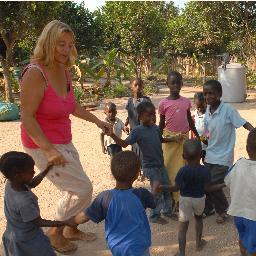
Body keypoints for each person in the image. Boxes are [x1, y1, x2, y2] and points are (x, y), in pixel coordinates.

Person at [20, 20, 112, 253]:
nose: (66, 50)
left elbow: (72, 106)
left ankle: (70, 228)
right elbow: (27, 118)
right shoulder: (35, 73)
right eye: (61, 44)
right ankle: (54, 232)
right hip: (42, 144)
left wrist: (98, 121)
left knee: (77, 186)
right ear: (48, 43)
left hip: (64, 139)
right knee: (81, 189)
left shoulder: (64, 71)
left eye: (70, 45)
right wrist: (49, 151)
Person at [109, 101, 182, 224]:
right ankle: (154, 215)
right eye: (149, 115)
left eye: (154, 114)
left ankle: (167, 211)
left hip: (160, 165)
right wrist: (112, 135)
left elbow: (161, 139)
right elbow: (124, 144)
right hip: (150, 167)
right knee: (157, 191)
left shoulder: (155, 128)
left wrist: (173, 139)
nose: (153, 117)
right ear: (140, 116)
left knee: (167, 187)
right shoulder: (137, 131)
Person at [71, 151, 157, 256]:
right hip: (139, 245)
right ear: (136, 175)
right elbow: (153, 202)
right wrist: (155, 190)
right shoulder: (141, 194)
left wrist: (67, 221)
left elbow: (84, 217)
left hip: (117, 247)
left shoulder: (105, 197)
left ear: (112, 173)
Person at [0, 151, 76, 256]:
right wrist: (64, 222)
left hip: (14, 234)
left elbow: (32, 183)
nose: (34, 172)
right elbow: (38, 222)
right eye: (31, 171)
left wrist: (47, 169)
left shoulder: (11, 183)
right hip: (27, 240)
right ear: (17, 174)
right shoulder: (23, 201)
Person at [161, 139, 225, 256]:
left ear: (183, 156)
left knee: (182, 227)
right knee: (199, 219)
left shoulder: (182, 171)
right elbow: (208, 189)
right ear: (201, 155)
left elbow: (175, 188)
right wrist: (223, 184)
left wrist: (161, 187)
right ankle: (199, 243)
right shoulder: (205, 170)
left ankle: (181, 253)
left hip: (185, 200)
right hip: (199, 199)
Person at [203, 80, 254, 223]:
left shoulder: (228, 110)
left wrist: (254, 132)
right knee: (205, 181)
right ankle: (209, 207)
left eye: (211, 93)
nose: (208, 97)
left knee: (213, 183)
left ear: (219, 94)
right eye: (205, 93)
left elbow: (243, 123)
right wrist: (203, 144)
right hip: (210, 153)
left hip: (224, 156)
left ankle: (223, 209)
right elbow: (207, 132)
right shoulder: (207, 110)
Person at [159, 71, 200, 210]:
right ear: (167, 84)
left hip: (183, 139)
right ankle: (172, 197)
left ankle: (180, 199)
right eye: (172, 82)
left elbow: (189, 120)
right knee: (169, 168)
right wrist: (159, 138)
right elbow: (161, 124)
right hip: (170, 140)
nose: (176, 85)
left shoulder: (186, 102)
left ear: (182, 84)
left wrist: (197, 135)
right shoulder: (163, 103)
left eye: (178, 82)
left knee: (183, 168)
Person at [224, 128, 256, 256]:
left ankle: (243, 252)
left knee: (242, 237)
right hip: (253, 216)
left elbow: (227, 181)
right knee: (253, 247)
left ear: (247, 149)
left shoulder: (238, 165)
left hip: (238, 214)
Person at [125, 78, 151, 162]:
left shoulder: (146, 100)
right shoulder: (129, 101)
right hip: (133, 131)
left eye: (140, 85)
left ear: (142, 87)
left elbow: (151, 115)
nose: (138, 87)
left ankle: (144, 169)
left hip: (144, 132)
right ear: (131, 87)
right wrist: (125, 124)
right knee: (135, 150)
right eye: (135, 85)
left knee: (143, 151)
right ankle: (138, 169)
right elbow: (129, 115)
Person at [193, 92, 207, 162]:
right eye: (198, 107)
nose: (200, 109)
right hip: (196, 143)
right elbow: (193, 124)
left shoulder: (209, 114)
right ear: (194, 104)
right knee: (195, 162)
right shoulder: (195, 112)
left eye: (202, 107)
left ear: (206, 103)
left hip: (207, 144)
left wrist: (205, 138)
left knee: (206, 161)